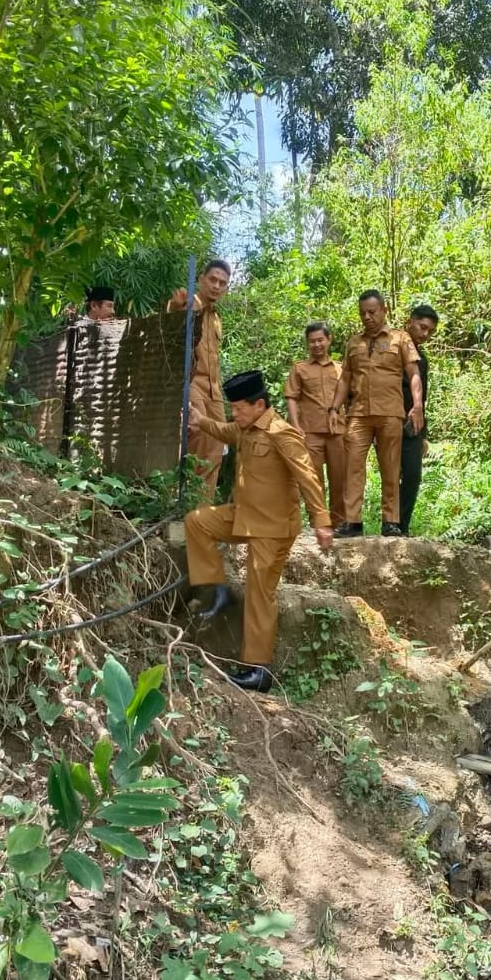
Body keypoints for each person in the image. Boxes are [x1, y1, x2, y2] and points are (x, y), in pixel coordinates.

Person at [185, 369, 334, 692]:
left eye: (238, 408)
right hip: (244, 517)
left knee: (259, 593)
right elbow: (225, 431)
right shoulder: (246, 427)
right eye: (233, 408)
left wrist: (321, 521)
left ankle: (258, 670)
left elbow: (307, 476)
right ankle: (217, 590)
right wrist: (201, 421)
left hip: (273, 529)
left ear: (260, 404)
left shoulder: (281, 433)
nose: (234, 414)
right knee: (197, 521)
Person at [329, 290, 422, 537]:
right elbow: (345, 378)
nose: (367, 317)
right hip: (358, 414)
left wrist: (417, 405)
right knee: (353, 467)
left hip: (390, 413)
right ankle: (353, 522)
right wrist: (333, 407)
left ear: (384, 310)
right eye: (362, 313)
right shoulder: (353, 342)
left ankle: (390, 521)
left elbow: (414, 373)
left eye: (371, 312)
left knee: (391, 467)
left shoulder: (400, 339)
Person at [165, 259, 232, 498]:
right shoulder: (191, 304)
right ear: (201, 279)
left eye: (222, 283)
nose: (216, 285)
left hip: (214, 390)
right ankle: (184, 503)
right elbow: (171, 322)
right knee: (199, 439)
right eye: (212, 279)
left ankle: (203, 511)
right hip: (192, 382)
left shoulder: (216, 318)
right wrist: (174, 306)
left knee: (218, 445)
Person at [283, 322, 345, 525]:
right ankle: (318, 522)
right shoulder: (300, 368)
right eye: (312, 341)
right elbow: (291, 396)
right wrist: (295, 425)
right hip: (310, 431)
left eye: (320, 340)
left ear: (329, 340)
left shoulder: (341, 369)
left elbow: (351, 397)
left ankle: (339, 522)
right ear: (307, 344)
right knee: (313, 480)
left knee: (340, 479)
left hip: (337, 431)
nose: (316, 345)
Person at [399, 304, 439, 534]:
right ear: (410, 322)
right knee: (392, 476)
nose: (425, 334)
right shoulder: (391, 349)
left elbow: (422, 399)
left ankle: (402, 526)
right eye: (422, 327)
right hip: (388, 420)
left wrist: (423, 434)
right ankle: (390, 525)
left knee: (413, 475)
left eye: (430, 331)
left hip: (412, 426)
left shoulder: (422, 359)